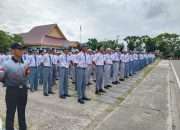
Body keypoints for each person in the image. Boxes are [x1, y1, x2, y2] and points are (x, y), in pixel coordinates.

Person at [0, 42, 30, 130]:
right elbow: (1, 77)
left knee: (22, 112)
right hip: (12, 91)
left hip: (23, 90)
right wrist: (9, 80)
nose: (22, 51)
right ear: (13, 51)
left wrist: (25, 74)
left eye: (22, 49)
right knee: (10, 113)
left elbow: (26, 75)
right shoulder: (6, 64)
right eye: (19, 49)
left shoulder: (25, 63)